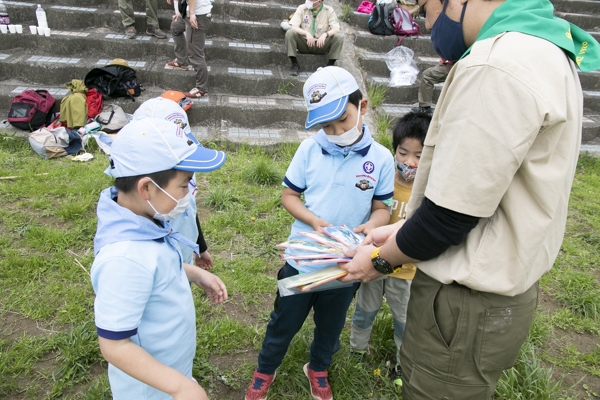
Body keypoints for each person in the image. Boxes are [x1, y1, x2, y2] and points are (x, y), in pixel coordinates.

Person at [338, 0, 600, 398]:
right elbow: (484, 190)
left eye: (426, 9)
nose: (427, 25)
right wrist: (402, 228)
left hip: (460, 305)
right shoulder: (545, 48)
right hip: (495, 295)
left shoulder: (495, 65)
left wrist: (378, 261)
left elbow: (449, 216)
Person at [244, 66, 395, 400]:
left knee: (330, 326)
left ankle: (318, 368)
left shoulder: (381, 159)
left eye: (342, 120)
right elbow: (289, 195)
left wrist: (373, 224)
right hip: (302, 259)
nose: (336, 130)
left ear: (363, 107)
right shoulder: (310, 150)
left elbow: (382, 207)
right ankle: (264, 370)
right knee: (283, 321)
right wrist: (312, 220)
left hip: (345, 267)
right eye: (327, 125)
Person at [91, 117, 228, 399]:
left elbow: (158, 268)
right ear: (147, 189)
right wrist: (178, 386)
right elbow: (114, 346)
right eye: (184, 184)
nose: (191, 192)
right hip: (150, 389)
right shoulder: (124, 259)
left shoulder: (145, 219)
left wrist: (194, 273)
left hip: (170, 371)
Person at [349, 112, 430, 379]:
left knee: (404, 319)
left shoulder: (429, 192)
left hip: (406, 271)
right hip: (373, 260)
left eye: (419, 156)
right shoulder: (384, 181)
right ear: (395, 150)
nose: (410, 162)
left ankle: (402, 363)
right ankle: (356, 350)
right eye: (403, 153)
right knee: (365, 310)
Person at [132, 96, 222, 268]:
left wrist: (199, 249)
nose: (186, 188)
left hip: (183, 257)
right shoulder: (137, 222)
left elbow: (189, 209)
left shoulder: (184, 170)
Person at [167, 0, 212, 98]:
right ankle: (182, 61)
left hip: (198, 15)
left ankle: (201, 89)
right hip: (187, 12)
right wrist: (180, 12)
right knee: (175, 27)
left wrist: (191, 14)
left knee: (195, 54)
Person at [286, 0, 343, 76]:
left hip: (321, 45)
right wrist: (306, 33)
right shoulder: (302, 8)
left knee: (339, 37)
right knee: (290, 33)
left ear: (319, 2)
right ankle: (294, 64)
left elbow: (337, 29)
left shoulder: (329, 10)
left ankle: (329, 66)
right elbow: (294, 26)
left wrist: (325, 34)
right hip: (305, 43)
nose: (308, 1)